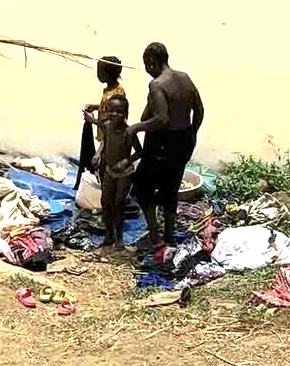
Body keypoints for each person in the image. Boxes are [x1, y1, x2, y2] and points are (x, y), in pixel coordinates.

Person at [128, 42, 204, 248]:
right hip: (183, 139)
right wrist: (193, 134)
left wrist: (136, 127)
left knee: (142, 189)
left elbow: (161, 119)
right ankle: (169, 234)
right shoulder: (184, 78)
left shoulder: (157, 85)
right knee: (170, 189)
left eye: (146, 65)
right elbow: (199, 110)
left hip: (162, 142)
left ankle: (155, 235)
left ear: (151, 63)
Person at [77, 55, 128, 190]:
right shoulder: (112, 90)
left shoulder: (115, 95)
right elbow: (107, 108)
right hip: (107, 138)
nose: (97, 74)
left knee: (104, 168)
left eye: (100, 71)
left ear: (108, 74)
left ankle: (107, 198)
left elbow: (112, 127)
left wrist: (91, 120)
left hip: (110, 140)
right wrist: (96, 107)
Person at [95, 96, 139, 251]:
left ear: (126, 113)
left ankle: (119, 237)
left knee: (118, 205)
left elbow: (139, 152)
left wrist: (126, 162)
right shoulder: (107, 126)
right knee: (105, 202)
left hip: (124, 173)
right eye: (112, 111)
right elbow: (104, 143)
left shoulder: (129, 132)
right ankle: (109, 235)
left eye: (119, 112)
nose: (115, 114)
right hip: (109, 170)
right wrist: (98, 154)